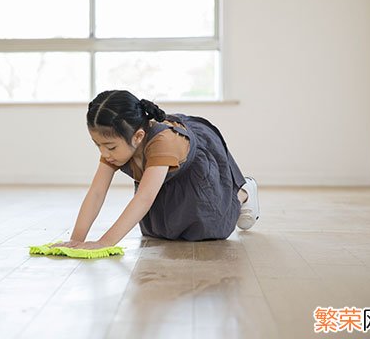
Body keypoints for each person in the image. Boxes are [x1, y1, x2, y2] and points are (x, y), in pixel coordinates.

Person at [53, 90, 260, 250]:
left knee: (207, 227)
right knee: (160, 231)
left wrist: (105, 242)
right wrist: (76, 240)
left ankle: (243, 192)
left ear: (138, 137)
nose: (104, 153)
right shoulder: (116, 146)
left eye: (110, 147)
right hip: (164, 178)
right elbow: (97, 193)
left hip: (194, 176)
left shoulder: (164, 143)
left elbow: (144, 197)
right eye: (98, 145)